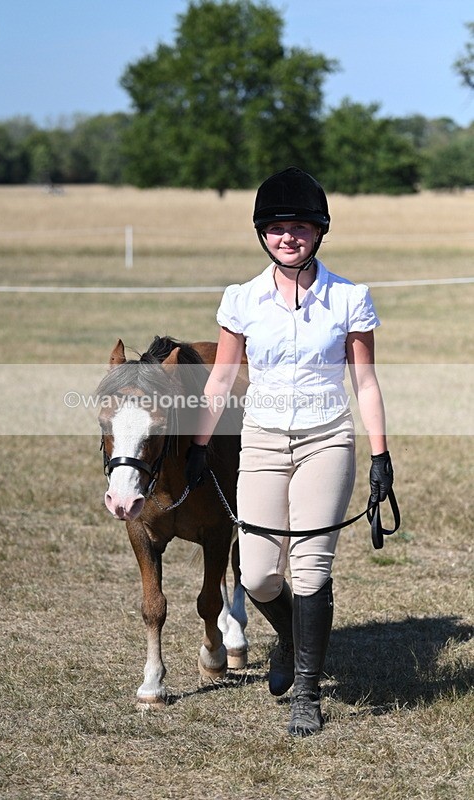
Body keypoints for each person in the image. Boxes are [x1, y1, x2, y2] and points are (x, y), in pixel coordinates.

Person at [185, 166, 394, 737]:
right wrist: (200, 446)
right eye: (277, 228)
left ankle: (307, 688)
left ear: (320, 232)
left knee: (309, 569)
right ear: (262, 234)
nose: (288, 237)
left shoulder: (350, 298)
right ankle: (290, 637)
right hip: (263, 440)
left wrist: (380, 457)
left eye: (300, 227)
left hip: (327, 440)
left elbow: (366, 383)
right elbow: (220, 382)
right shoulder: (241, 300)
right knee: (255, 575)